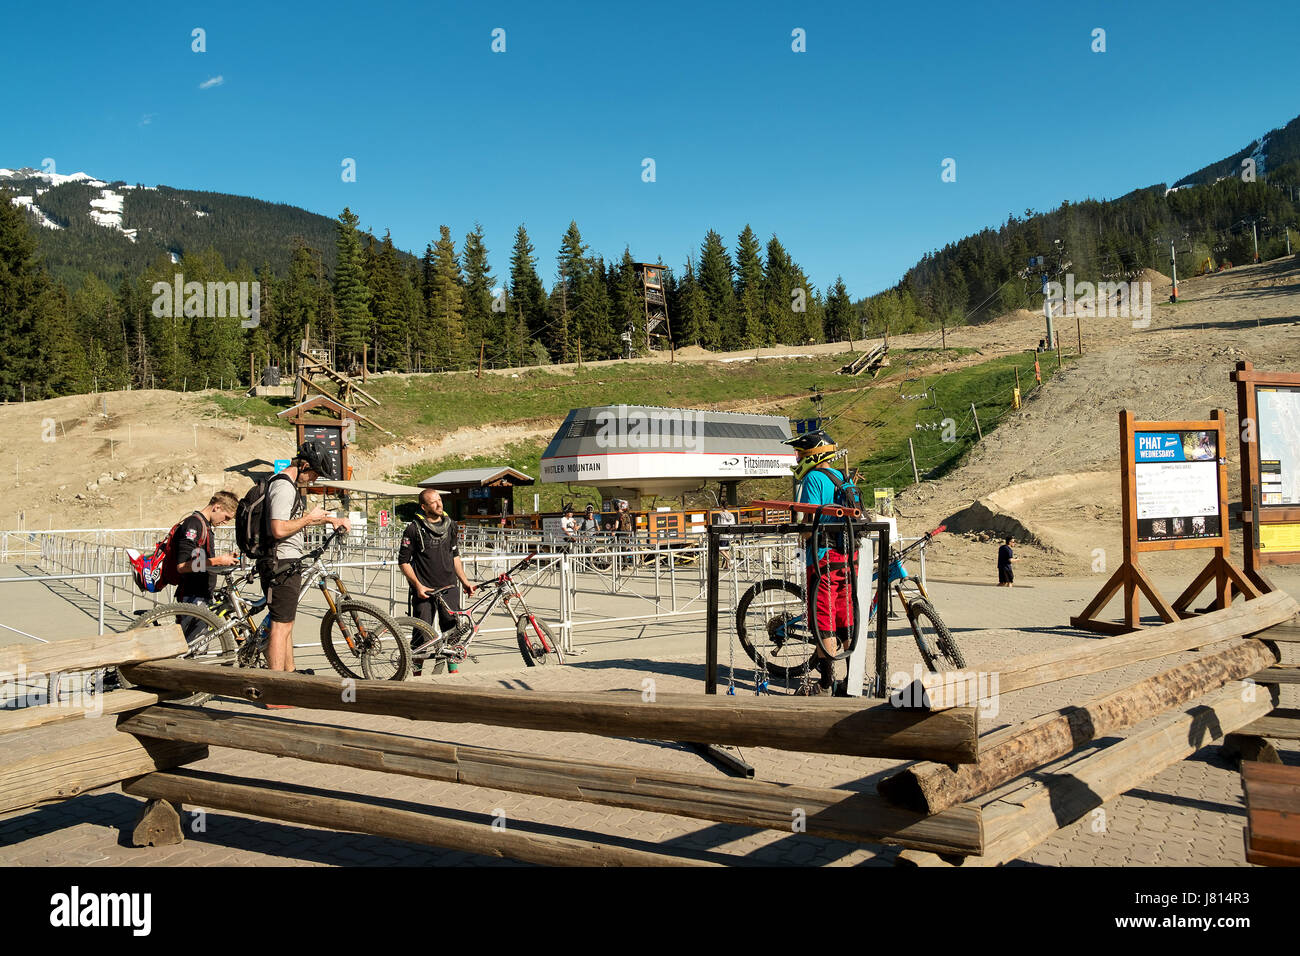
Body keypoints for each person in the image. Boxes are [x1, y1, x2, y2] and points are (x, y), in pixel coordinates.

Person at [261, 441, 351, 683]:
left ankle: (289, 676)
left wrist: (331, 519)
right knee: (280, 627)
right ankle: (274, 687)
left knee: (286, 623)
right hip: (280, 563)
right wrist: (309, 518)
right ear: (304, 465)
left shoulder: (289, 487)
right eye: (314, 474)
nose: (313, 480)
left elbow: (295, 522)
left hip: (287, 562)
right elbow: (279, 529)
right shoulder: (283, 487)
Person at [785, 428, 860, 696]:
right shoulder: (842, 477)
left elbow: (809, 523)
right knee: (846, 612)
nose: (797, 459)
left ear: (811, 455)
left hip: (823, 557)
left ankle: (826, 683)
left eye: (800, 453)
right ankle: (852, 679)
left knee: (822, 616)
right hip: (850, 556)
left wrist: (799, 536)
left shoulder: (814, 479)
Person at [398, 489, 475, 674]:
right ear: (424, 507)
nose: (439, 504)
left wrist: (464, 581)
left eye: (440, 500)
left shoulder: (451, 526)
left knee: (452, 631)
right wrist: (417, 585)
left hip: (449, 588)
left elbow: (455, 555)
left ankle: (453, 674)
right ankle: (416, 675)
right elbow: (403, 562)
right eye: (433, 502)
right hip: (424, 591)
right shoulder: (413, 529)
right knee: (421, 635)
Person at [171, 491, 240, 642]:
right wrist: (219, 560)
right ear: (217, 507)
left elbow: (199, 560)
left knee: (199, 646)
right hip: (192, 595)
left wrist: (222, 560)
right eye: (226, 517)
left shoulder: (204, 525)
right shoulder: (193, 524)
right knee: (191, 647)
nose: (226, 522)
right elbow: (182, 566)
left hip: (201, 594)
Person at [713, 490, 736, 570]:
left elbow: (719, 524)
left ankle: (730, 560)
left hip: (723, 534)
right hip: (730, 534)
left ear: (722, 506)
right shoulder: (732, 515)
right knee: (727, 549)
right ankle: (727, 565)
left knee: (720, 549)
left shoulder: (720, 515)